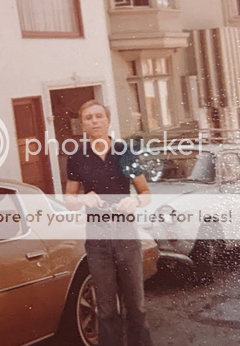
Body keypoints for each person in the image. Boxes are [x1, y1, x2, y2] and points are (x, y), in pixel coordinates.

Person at [65, 100, 154, 346]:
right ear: (82, 124)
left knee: (136, 306)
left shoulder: (124, 152)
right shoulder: (77, 157)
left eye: (98, 116)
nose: (94, 121)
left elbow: (146, 193)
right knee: (105, 309)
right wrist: (83, 199)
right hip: (97, 239)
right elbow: (68, 200)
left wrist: (134, 202)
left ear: (108, 119)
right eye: (88, 118)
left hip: (126, 236)